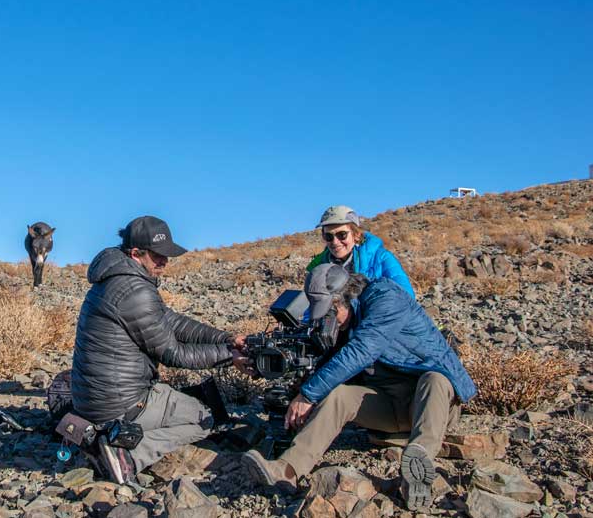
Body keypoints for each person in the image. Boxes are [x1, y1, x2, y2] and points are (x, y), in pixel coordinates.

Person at [241, 264, 477, 510]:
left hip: (432, 405)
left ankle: (418, 464)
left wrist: (308, 394)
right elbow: (326, 363)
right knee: (339, 395)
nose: (328, 320)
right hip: (391, 406)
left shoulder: (386, 297)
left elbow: (363, 351)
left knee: (434, 378)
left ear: (347, 296)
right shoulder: (348, 320)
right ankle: (286, 469)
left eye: (331, 312)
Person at [70, 215, 254, 485]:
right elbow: (173, 353)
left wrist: (227, 339)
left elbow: (170, 321)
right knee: (205, 417)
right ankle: (128, 454)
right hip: (121, 405)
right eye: (158, 256)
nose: (165, 263)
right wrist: (230, 356)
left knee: (186, 403)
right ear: (136, 254)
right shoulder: (134, 290)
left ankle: (111, 436)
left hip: (95, 400)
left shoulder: (117, 279)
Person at [308, 205, 415, 298]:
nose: (335, 242)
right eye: (329, 236)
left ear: (356, 235)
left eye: (342, 235)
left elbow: (406, 298)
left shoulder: (382, 258)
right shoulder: (320, 267)